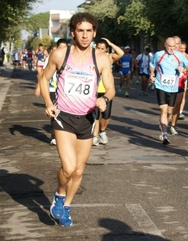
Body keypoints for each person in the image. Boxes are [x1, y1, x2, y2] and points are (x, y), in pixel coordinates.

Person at [39, 12, 115, 227]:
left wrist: (104, 99)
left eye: (89, 31)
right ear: (73, 32)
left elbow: (110, 88)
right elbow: (44, 80)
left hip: (88, 118)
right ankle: (60, 195)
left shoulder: (100, 58)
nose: (84, 35)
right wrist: (48, 103)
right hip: (63, 117)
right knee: (69, 167)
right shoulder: (60, 54)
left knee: (80, 170)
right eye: (80, 31)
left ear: (94, 33)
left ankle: (67, 206)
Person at [149, 37, 188, 145]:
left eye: (173, 46)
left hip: (173, 87)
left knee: (169, 111)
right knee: (163, 110)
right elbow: (152, 65)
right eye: (170, 46)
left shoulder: (179, 56)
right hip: (160, 85)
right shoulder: (159, 55)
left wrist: (184, 69)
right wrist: (152, 74)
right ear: (165, 45)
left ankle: (164, 126)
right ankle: (164, 134)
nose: (172, 49)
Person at [92, 38, 124, 146]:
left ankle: (102, 131)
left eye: (103, 49)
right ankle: (95, 136)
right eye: (98, 48)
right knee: (95, 115)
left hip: (106, 90)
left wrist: (110, 43)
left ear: (106, 49)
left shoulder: (109, 57)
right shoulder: (91, 57)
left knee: (106, 115)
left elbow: (121, 53)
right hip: (94, 90)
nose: (100, 50)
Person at [43, 39, 68, 146]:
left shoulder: (71, 58)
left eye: (64, 47)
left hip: (66, 91)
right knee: (55, 113)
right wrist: (39, 88)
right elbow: (44, 76)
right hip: (53, 89)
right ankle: (54, 136)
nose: (62, 49)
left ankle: (66, 135)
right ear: (57, 47)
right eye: (60, 47)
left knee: (66, 114)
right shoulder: (51, 57)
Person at [169, 40, 188, 135]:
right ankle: (165, 122)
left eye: (178, 44)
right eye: (175, 44)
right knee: (168, 107)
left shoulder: (183, 56)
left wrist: (187, 71)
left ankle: (173, 126)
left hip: (180, 82)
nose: (177, 46)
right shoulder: (166, 55)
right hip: (168, 83)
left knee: (177, 105)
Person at [178, 41, 188, 120]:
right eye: (181, 48)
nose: (182, 50)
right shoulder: (176, 55)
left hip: (184, 76)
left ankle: (180, 112)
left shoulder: (187, 55)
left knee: (183, 94)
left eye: (184, 48)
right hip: (177, 76)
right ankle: (175, 109)